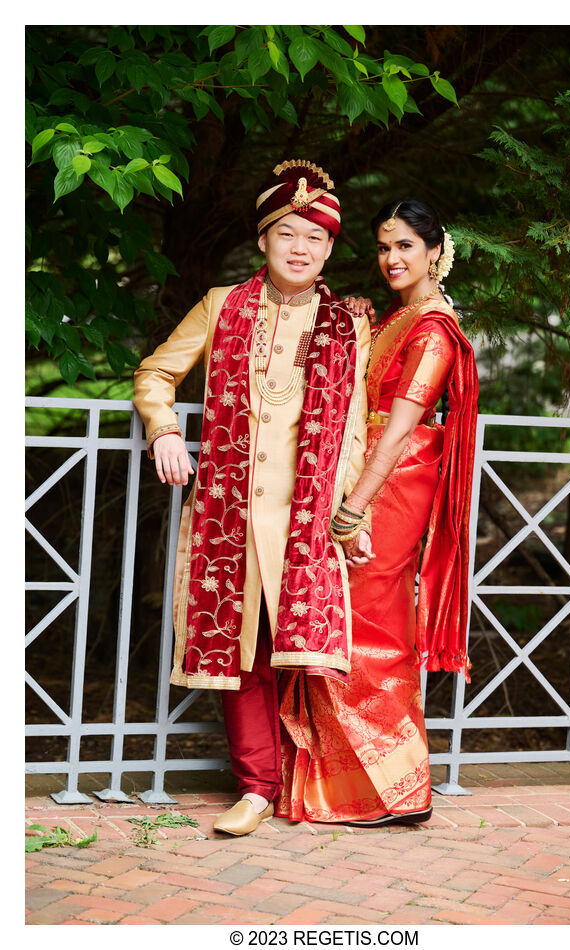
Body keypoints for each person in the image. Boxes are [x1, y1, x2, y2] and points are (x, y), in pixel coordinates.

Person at [133, 159, 372, 836]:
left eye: (316, 238)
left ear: (328, 249)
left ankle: (316, 784)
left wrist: (354, 514)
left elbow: (352, 429)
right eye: (288, 232)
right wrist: (165, 430)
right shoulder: (221, 304)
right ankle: (257, 788)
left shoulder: (346, 325)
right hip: (229, 515)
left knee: (303, 653)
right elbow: (156, 372)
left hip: (307, 520)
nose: (300, 247)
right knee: (241, 655)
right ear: (264, 239)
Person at [277, 198, 479, 826]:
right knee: (342, 614)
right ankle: (358, 783)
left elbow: (400, 428)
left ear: (436, 253)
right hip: (360, 468)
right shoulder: (399, 316)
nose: (392, 259)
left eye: (406, 248)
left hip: (392, 479)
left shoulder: (436, 329)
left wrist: (353, 508)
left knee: (369, 621)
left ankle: (394, 787)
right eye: (385, 248)